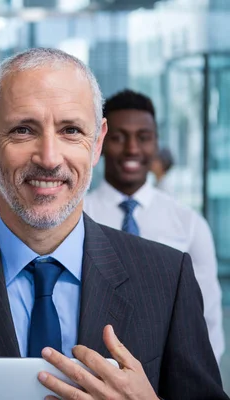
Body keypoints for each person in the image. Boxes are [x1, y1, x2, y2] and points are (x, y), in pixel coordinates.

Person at [0, 49, 227, 399]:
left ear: (97, 142)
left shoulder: (166, 277)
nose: (49, 158)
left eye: (70, 130)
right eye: (23, 130)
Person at [84, 89, 224, 364]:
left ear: (156, 143)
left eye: (144, 138)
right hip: (90, 371)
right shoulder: (77, 217)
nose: (132, 149)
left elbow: (207, 318)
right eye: (118, 137)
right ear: (99, 142)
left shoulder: (189, 224)